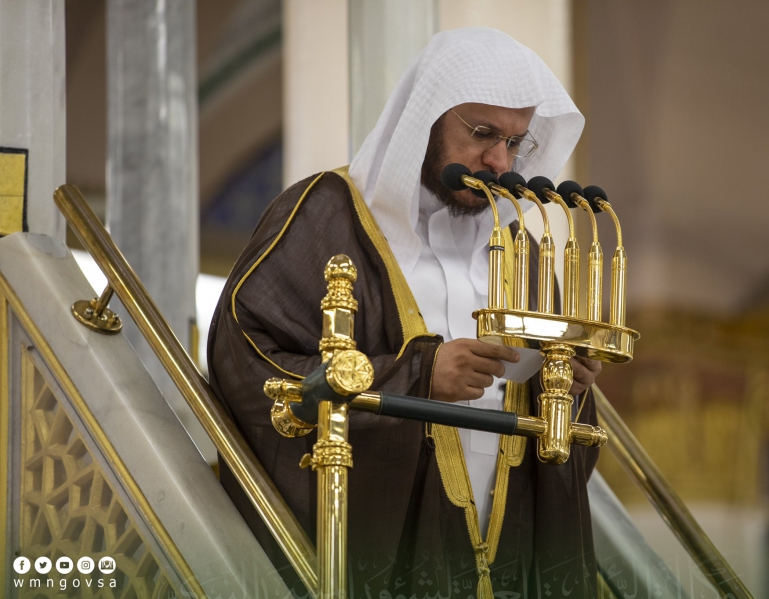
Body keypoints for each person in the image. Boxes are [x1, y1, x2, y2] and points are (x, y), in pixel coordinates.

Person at [208, 27, 602, 598]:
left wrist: (569, 381)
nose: (498, 161)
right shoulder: (329, 217)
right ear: (426, 119)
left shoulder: (524, 252)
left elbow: (566, 437)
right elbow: (248, 372)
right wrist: (417, 378)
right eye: (483, 133)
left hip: (513, 551)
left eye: (515, 143)